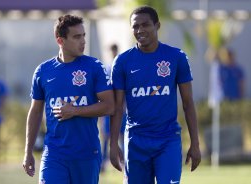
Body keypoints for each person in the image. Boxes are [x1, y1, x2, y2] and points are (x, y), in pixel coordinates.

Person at [109, 6, 201, 184]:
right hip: (135, 141)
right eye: (135, 26)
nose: (140, 30)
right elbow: (118, 107)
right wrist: (114, 145)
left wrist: (195, 143)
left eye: (145, 25)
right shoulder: (122, 62)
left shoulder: (176, 57)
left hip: (168, 140)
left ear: (157, 25)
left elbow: (188, 103)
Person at [22, 14, 114, 184]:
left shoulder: (94, 67)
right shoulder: (43, 71)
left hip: (87, 153)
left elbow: (109, 106)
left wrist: (75, 111)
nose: (83, 41)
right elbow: (35, 112)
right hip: (54, 153)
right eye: (77, 37)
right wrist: (28, 151)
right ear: (60, 40)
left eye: (84, 35)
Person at [100, 44, 126, 172]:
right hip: (108, 111)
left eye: (115, 50)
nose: (113, 53)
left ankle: (125, 162)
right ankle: (103, 163)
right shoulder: (107, 69)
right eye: (112, 51)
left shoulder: (122, 67)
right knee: (106, 137)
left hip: (121, 110)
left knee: (122, 136)